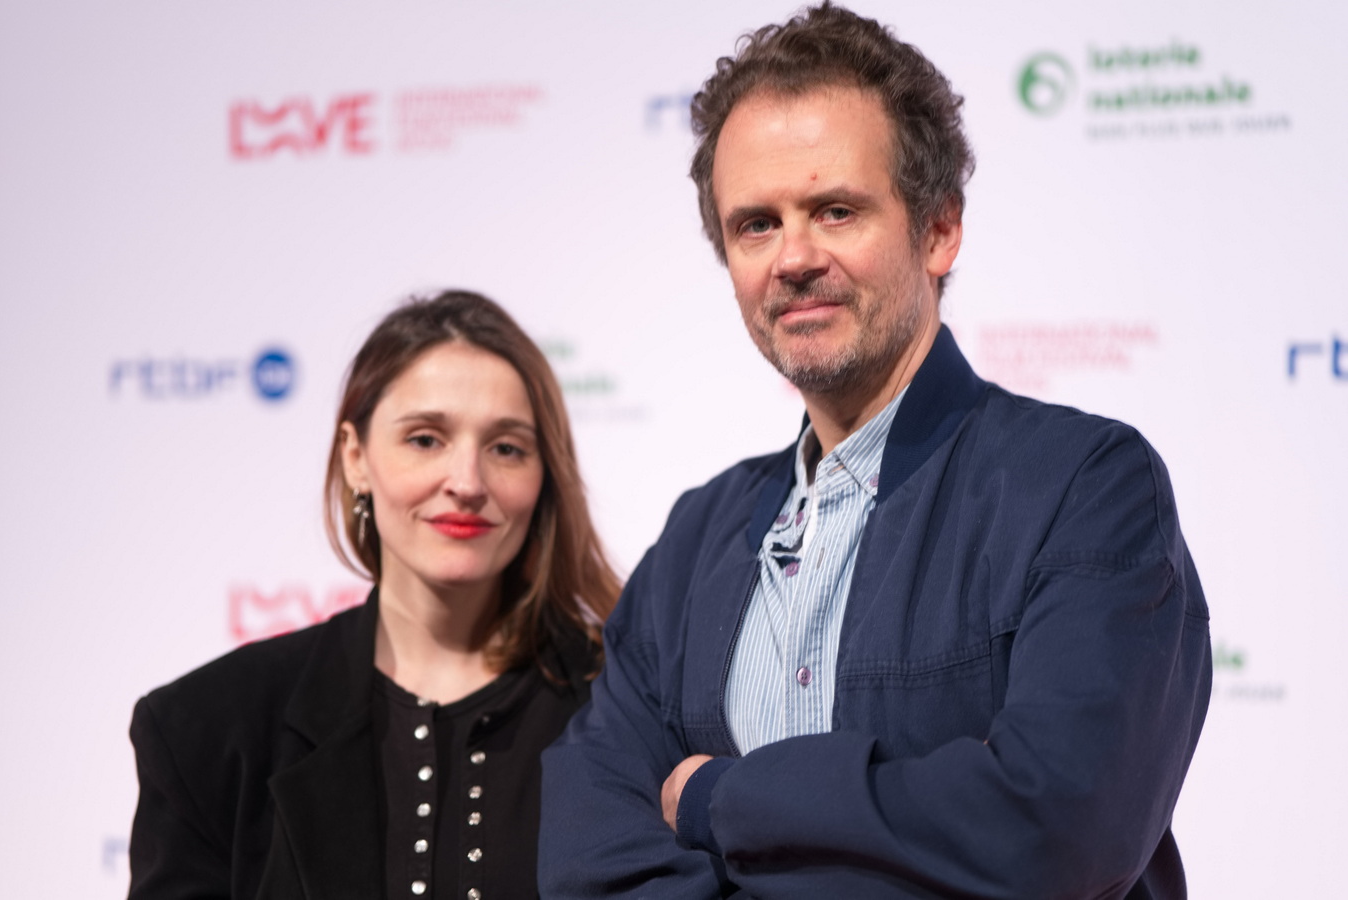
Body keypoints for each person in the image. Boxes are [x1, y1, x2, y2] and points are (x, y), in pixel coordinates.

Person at [538, 4, 1211, 898]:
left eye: (836, 210)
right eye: (756, 224)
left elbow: (1056, 831)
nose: (794, 258)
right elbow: (587, 855)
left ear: (938, 230)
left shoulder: (1082, 489)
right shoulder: (698, 536)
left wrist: (718, 798)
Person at [128, 290, 621, 899]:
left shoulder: (620, 710)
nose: (467, 482)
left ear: (544, 475)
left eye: (506, 448)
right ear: (356, 456)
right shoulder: (207, 728)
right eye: (425, 439)